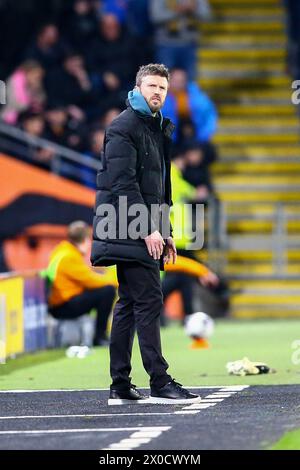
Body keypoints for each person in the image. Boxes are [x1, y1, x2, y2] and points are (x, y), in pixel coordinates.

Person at [91, 63, 201, 404]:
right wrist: (148, 228)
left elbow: (159, 187)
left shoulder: (154, 126)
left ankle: (120, 385)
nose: (157, 92)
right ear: (138, 88)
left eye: (162, 88)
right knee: (150, 300)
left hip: (140, 225)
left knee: (127, 304)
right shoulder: (124, 126)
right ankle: (159, 380)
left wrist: (164, 230)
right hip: (128, 226)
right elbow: (123, 184)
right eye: (151, 86)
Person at [46, 221, 117, 346]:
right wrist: (116, 281)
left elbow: (85, 275)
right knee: (108, 291)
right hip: (63, 305)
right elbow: (90, 281)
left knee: (104, 290)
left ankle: (100, 336)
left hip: (61, 301)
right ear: (85, 239)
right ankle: (99, 337)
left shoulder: (63, 250)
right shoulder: (69, 257)